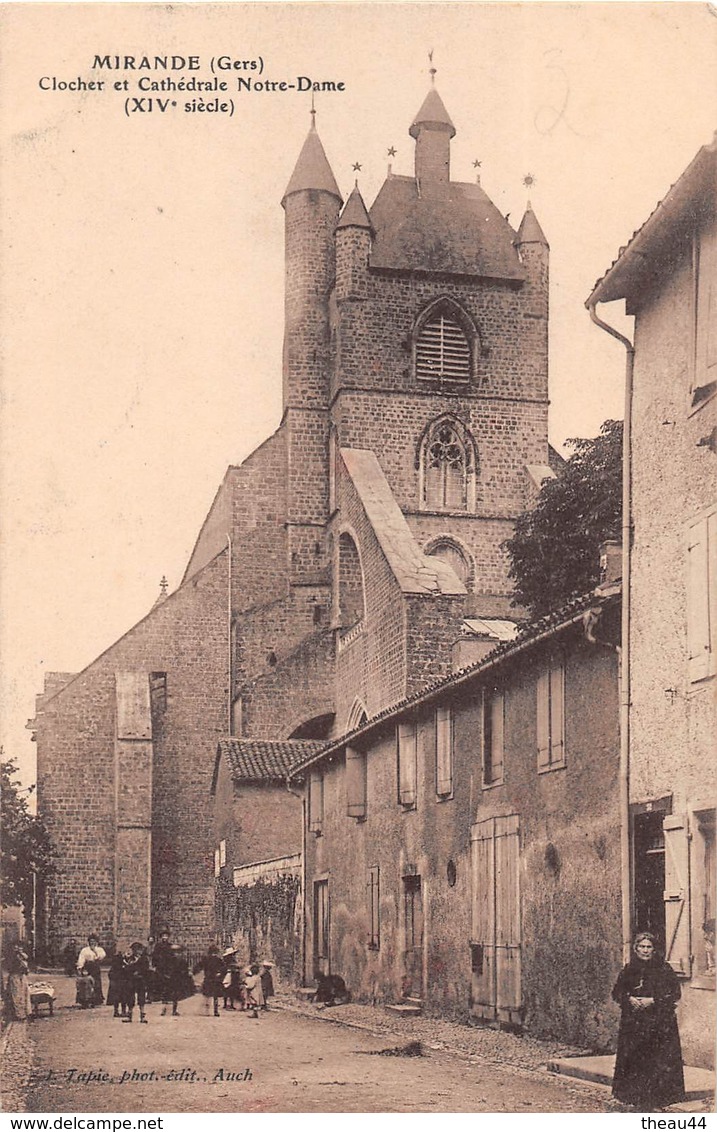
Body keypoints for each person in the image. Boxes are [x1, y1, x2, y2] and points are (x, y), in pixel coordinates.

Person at [611, 932, 686, 1110]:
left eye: (649, 947)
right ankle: (633, 1098)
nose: (645, 950)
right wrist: (629, 999)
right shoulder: (629, 969)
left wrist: (652, 1000)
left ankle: (657, 1101)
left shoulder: (664, 969)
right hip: (634, 1023)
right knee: (635, 1059)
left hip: (659, 1023)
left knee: (656, 1060)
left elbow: (675, 994)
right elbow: (617, 992)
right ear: (636, 948)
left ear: (654, 949)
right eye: (642, 947)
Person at [192, 945, 226, 1017]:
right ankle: (215, 1011)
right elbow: (224, 969)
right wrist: (220, 974)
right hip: (216, 980)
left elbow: (198, 966)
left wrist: (194, 972)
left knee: (207, 996)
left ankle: (206, 1011)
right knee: (215, 997)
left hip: (208, 979)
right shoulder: (219, 960)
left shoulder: (206, 959)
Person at [122, 941, 150, 1024]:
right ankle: (129, 1015)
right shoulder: (130, 958)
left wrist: (139, 972)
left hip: (141, 980)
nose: (136, 951)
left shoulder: (144, 959)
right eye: (134, 949)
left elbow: (146, 969)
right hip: (132, 980)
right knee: (130, 998)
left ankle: (142, 1016)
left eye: (138, 949)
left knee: (141, 998)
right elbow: (126, 968)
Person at [76, 934, 106, 1006]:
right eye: (91, 941)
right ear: (88, 942)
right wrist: (80, 967)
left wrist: (94, 951)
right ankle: (85, 999)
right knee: (86, 983)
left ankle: (97, 999)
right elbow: (81, 958)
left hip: (95, 966)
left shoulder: (99, 949)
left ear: (96, 942)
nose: (92, 943)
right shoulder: (85, 950)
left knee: (96, 983)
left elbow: (102, 956)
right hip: (87, 967)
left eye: (94, 941)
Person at [6, 944, 30, 1020]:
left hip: (22, 977)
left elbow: (26, 968)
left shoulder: (22, 957)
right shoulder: (11, 958)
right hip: (15, 976)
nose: (18, 950)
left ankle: (25, 1013)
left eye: (19, 948)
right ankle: (19, 1014)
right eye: (15, 948)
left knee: (24, 994)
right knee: (17, 995)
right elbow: (10, 968)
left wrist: (24, 969)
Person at [106, 949, 128, 1018]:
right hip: (120, 985)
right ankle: (122, 1011)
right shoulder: (121, 967)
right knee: (122, 998)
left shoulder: (114, 968)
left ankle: (117, 1011)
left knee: (118, 999)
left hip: (117, 984)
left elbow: (110, 975)